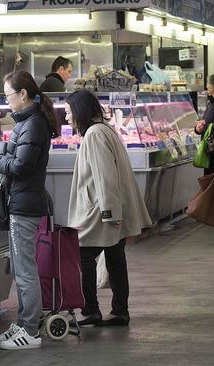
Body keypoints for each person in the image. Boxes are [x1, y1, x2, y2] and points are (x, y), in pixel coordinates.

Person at [0, 70, 59, 350]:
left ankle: (30, 331)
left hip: (25, 204)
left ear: (23, 94)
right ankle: (23, 323)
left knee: (24, 271)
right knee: (21, 269)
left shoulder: (32, 124)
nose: (7, 101)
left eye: (9, 95)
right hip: (21, 202)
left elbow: (21, 167)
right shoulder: (27, 122)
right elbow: (15, 154)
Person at [65, 90, 152, 327]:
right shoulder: (104, 130)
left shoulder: (93, 135)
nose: (67, 118)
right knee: (115, 258)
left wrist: (109, 212)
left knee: (83, 256)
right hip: (110, 208)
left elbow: (105, 177)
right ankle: (120, 310)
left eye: (69, 112)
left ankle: (91, 309)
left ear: (79, 112)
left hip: (100, 211)